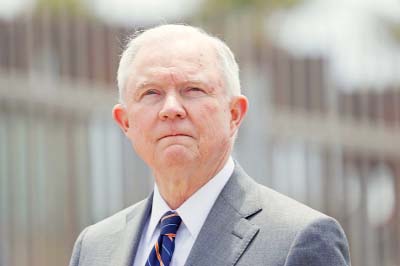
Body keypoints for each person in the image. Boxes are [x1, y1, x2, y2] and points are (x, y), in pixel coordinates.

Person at [69, 24, 351, 266]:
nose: (171, 108)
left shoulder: (300, 239)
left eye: (193, 90)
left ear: (234, 114)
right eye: (151, 92)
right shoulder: (94, 248)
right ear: (125, 121)